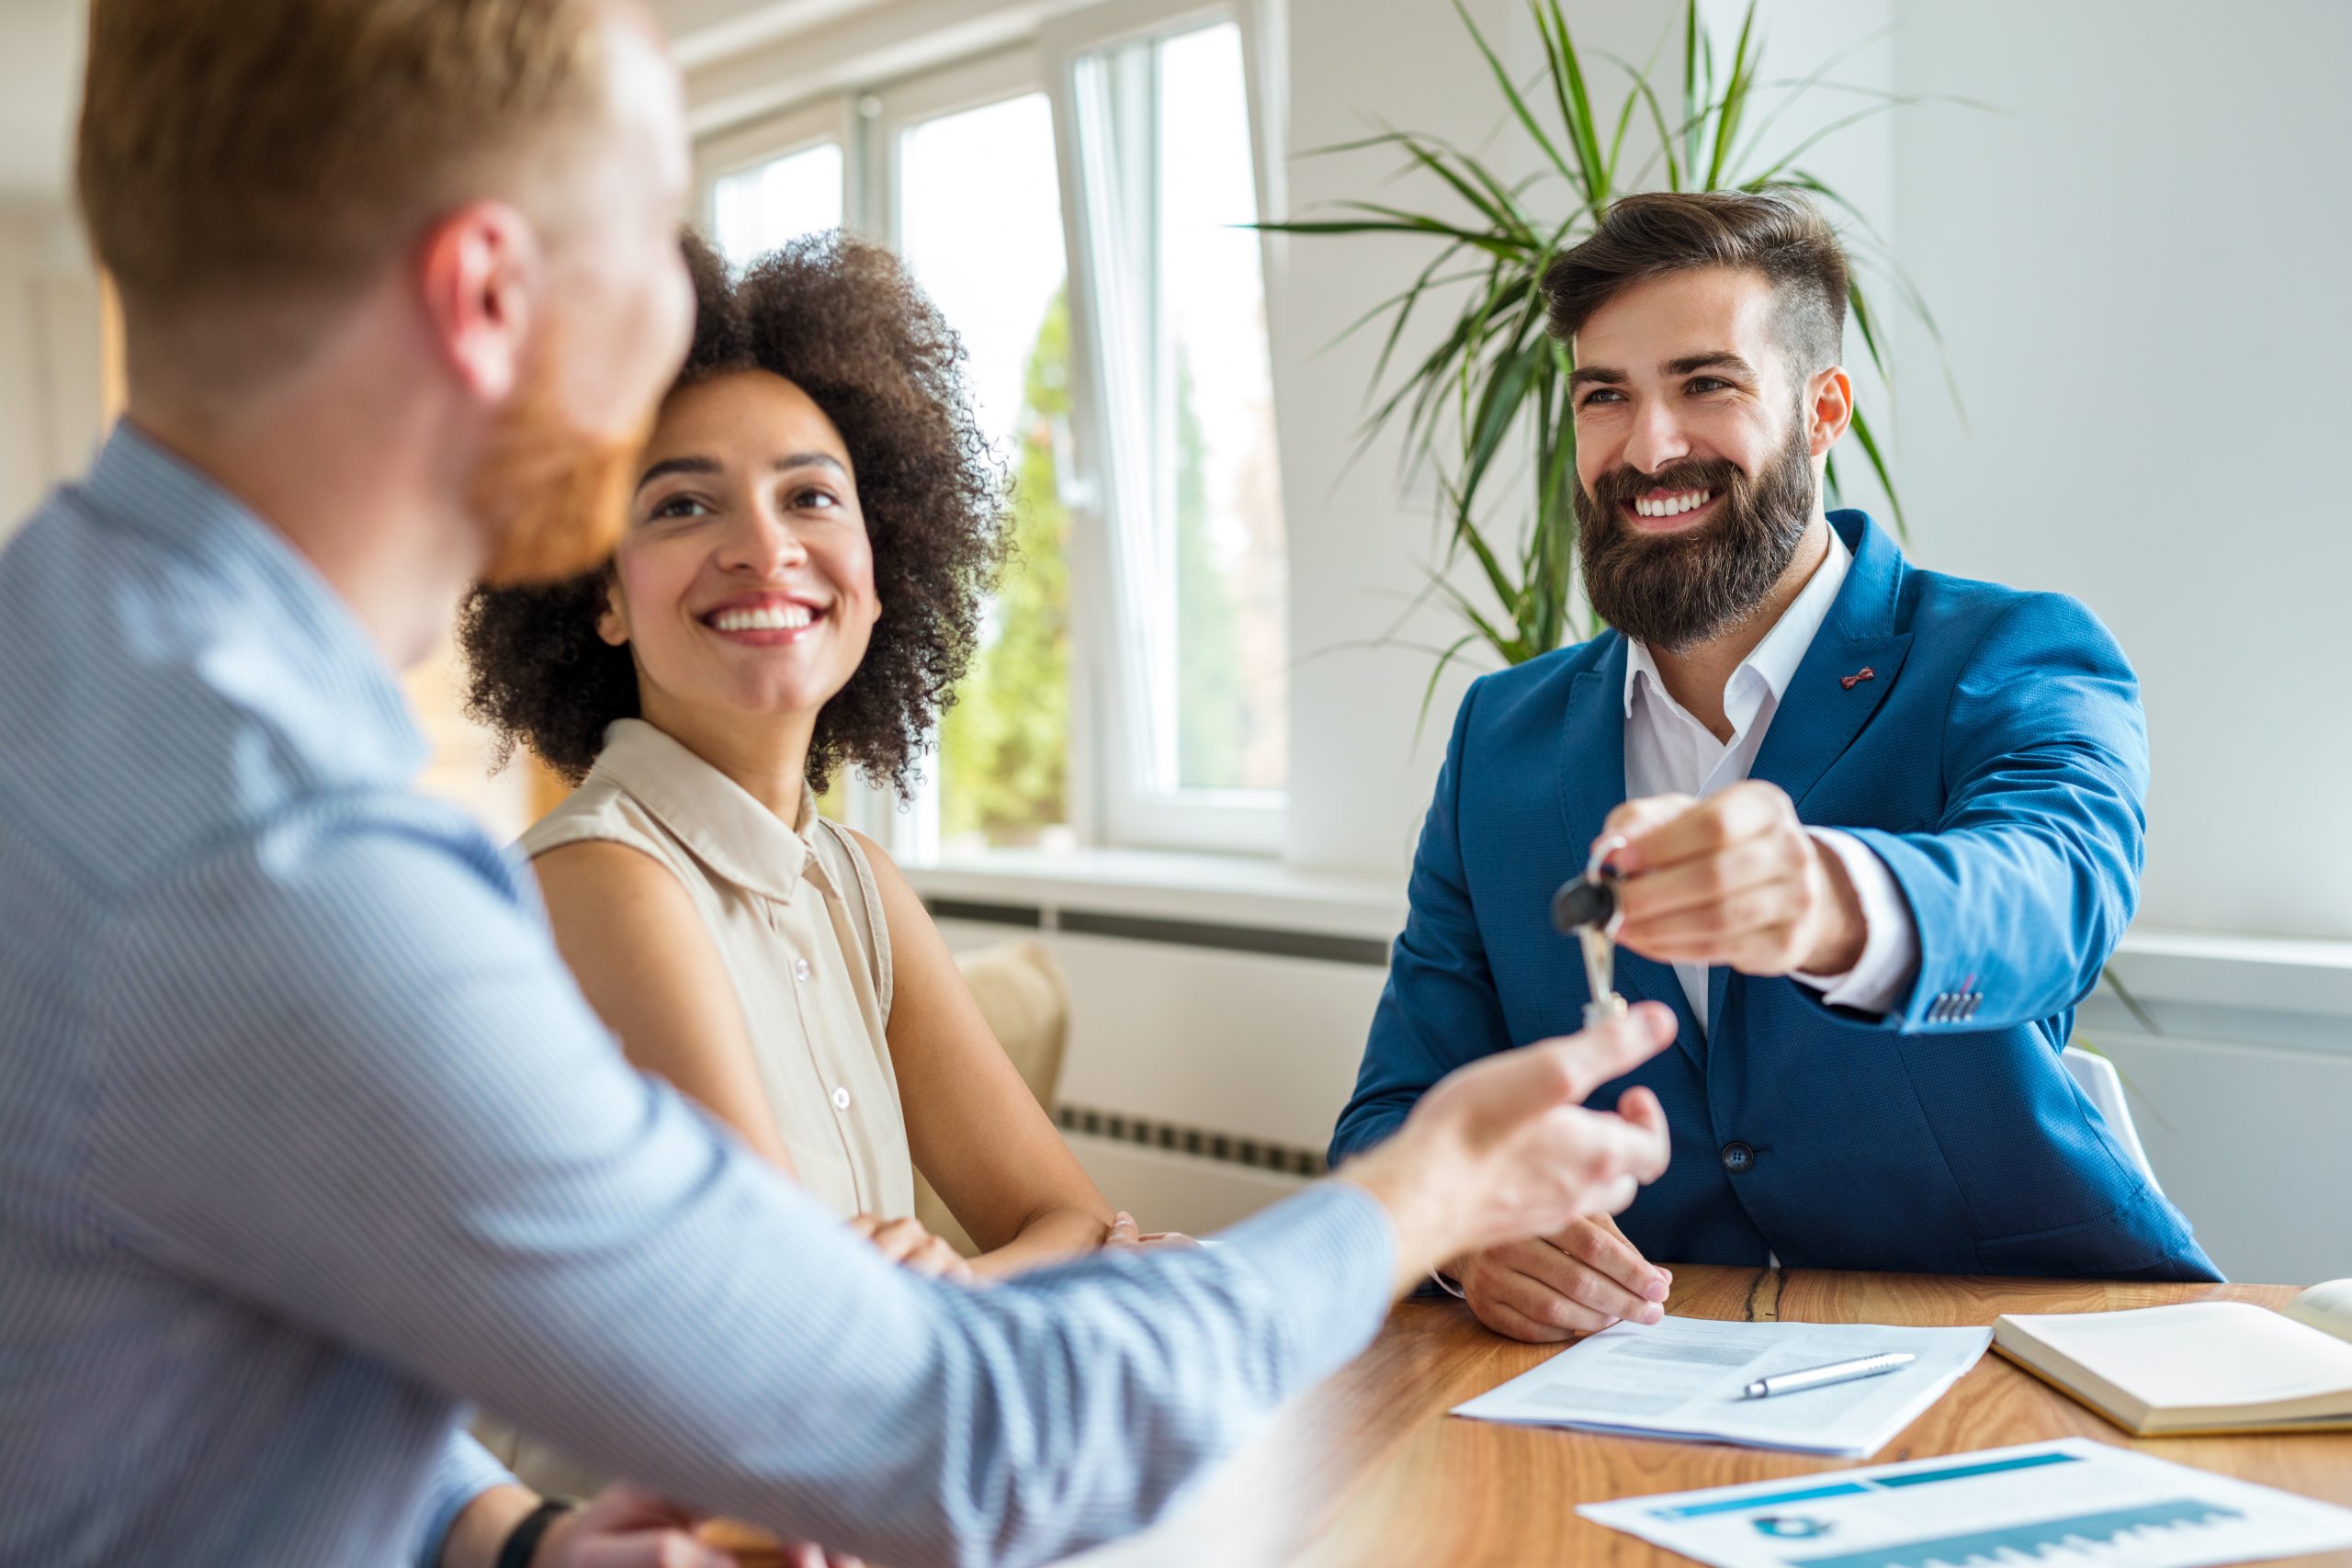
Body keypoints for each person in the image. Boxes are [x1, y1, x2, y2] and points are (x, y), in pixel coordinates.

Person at [0, 2, 1677, 1564]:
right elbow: (952, 1435)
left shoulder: (84, 695)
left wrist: (510, 1537)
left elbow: (203, 1344)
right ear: (488, 295)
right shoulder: (281, 859)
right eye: (653, 244)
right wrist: (1415, 1194)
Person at [1330, 189, 2217, 1348]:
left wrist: (1826, 899)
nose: (1648, 448)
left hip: (2016, 1345)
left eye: (1707, 385)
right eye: (1607, 396)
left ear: (1821, 410)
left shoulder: (2009, 652)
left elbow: (2055, 895)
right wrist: (1464, 1236)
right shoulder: (1500, 734)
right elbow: (1393, 1119)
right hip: (1638, 1375)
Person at [459, 231, 1116, 1297]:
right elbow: (797, 1315)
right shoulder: (598, 882)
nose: (765, 549)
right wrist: (972, 1283)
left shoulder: (855, 883)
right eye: (681, 505)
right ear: (602, 592)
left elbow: (1074, 1218)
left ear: (881, 562)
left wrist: (954, 1286)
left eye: (809, 497)